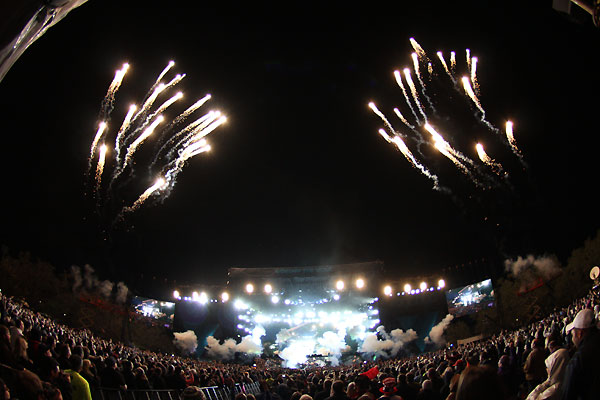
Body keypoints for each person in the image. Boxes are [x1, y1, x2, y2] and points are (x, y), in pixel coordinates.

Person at [560, 308, 600, 400]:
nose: (572, 338)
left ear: (580, 334)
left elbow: (567, 395)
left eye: (572, 335)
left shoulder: (577, 360)